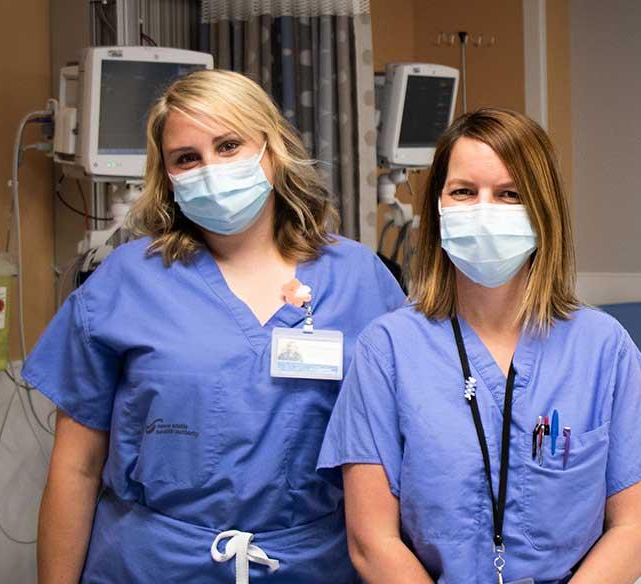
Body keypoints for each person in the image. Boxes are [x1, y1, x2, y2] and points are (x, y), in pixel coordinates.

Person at [23, 69, 405, 584]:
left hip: (316, 565)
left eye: (229, 146)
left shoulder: (360, 280)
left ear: (272, 151)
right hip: (152, 566)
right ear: (168, 176)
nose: (211, 169)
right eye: (187, 158)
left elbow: (405, 454)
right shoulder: (126, 282)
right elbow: (76, 469)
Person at [318, 108, 641, 584]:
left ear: (543, 210)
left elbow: (634, 529)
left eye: (509, 194)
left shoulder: (601, 347)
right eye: (464, 192)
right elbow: (373, 542)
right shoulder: (387, 349)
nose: (484, 211)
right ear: (437, 206)